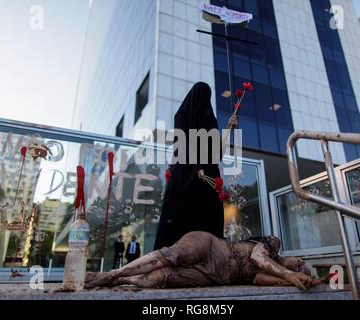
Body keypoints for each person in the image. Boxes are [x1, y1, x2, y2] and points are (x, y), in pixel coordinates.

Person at [154, 82, 238, 250]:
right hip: (185, 176)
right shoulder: (182, 116)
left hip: (207, 178)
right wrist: (195, 166)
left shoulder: (210, 120)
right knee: (179, 225)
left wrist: (228, 129)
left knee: (208, 223)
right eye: (201, 95)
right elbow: (181, 145)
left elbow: (216, 155)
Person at [85, 231, 319, 290]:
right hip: (212, 247)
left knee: (161, 278)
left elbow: (259, 279)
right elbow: (258, 258)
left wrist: (292, 282)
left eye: (300, 268)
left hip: (217, 276)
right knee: (173, 257)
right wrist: (289, 274)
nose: (297, 266)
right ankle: (110, 275)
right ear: (293, 256)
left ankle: (116, 282)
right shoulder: (272, 244)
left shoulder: (278, 270)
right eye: (299, 263)